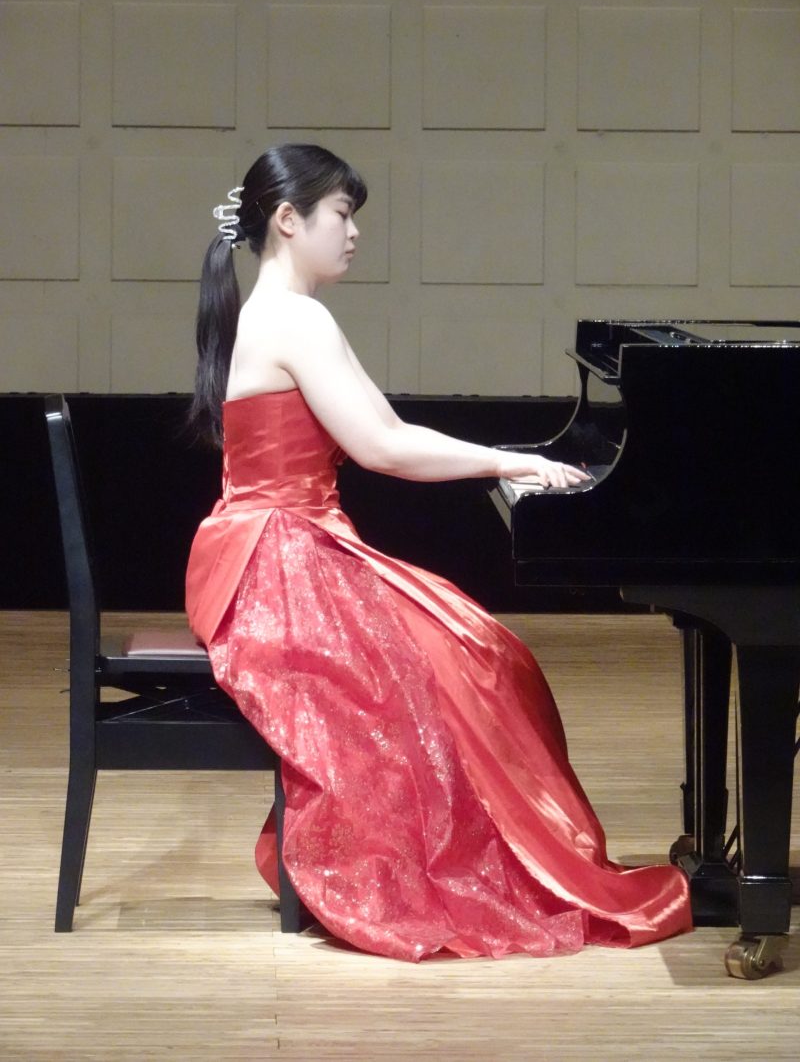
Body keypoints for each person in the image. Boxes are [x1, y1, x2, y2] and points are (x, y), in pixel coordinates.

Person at [185, 143, 691, 961]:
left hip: (280, 549)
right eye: (342, 214)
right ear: (288, 220)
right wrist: (507, 461)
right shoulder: (294, 319)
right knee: (474, 655)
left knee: (479, 648)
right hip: (281, 561)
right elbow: (383, 448)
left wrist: (507, 457)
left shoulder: (283, 313)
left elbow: (387, 431)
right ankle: (474, 864)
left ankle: (496, 849)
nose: (354, 232)